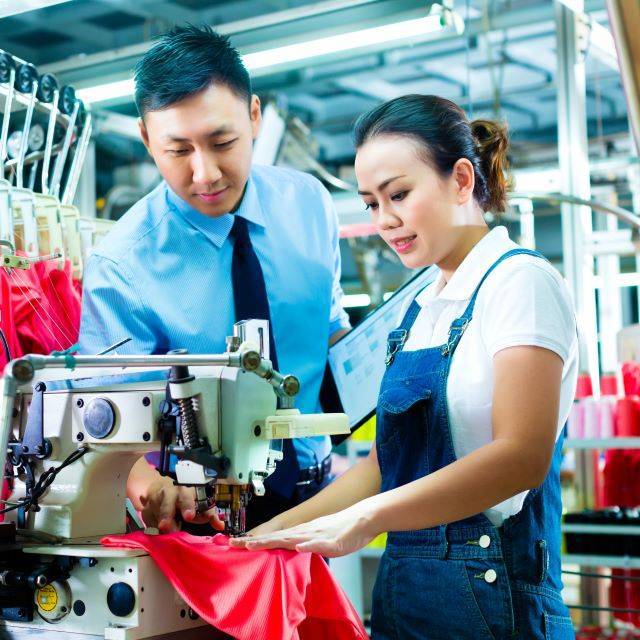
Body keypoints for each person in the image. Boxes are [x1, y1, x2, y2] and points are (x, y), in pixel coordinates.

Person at [230, 94, 579, 640]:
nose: (384, 221)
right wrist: (270, 534)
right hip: (406, 605)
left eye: (399, 194)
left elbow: (520, 458)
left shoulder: (520, 284)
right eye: (371, 203)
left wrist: (369, 519)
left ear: (461, 180)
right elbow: (381, 466)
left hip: (497, 605)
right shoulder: (420, 310)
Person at [77, 25, 350, 534]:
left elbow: (330, 333)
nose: (205, 174)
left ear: (253, 116)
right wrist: (150, 489)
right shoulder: (122, 265)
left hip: (318, 497)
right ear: (146, 139)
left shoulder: (309, 203)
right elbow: (103, 425)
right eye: (178, 151)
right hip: (202, 517)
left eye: (222, 142)